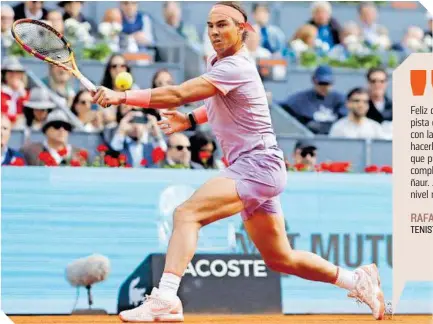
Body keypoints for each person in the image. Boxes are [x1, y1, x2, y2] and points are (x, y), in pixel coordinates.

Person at [92, 2, 385, 322]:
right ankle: (357, 281)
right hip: (256, 167)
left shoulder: (236, 67)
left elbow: (177, 93)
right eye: (210, 25)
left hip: (257, 165)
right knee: (280, 258)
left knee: (187, 213)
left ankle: (165, 297)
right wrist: (189, 120)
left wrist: (121, 96)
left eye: (223, 25)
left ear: (242, 30)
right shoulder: (219, 62)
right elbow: (220, 104)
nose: (215, 32)